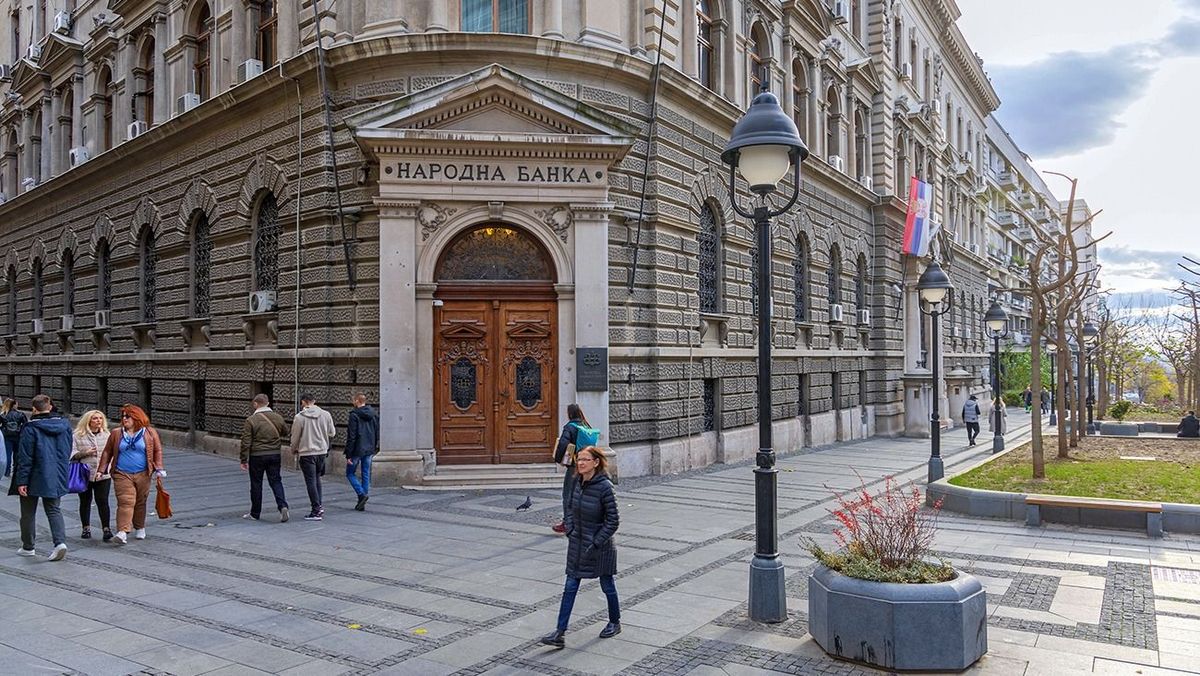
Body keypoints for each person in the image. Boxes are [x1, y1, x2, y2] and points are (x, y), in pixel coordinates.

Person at [540, 446, 621, 649]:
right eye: (579, 459)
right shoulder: (577, 481)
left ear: (596, 462)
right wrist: (570, 528)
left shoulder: (605, 487)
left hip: (600, 548)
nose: (581, 463)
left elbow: (613, 521)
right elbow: (569, 507)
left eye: (585, 459)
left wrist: (595, 541)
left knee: (607, 585)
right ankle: (559, 632)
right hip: (577, 543)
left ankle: (615, 621)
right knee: (570, 587)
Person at [10, 394, 72, 560]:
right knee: (54, 509)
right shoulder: (65, 425)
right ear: (50, 407)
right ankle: (60, 543)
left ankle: (28, 546)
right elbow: (68, 450)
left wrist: (21, 481)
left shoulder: (30, 428)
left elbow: (25, 457)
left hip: (33, 475)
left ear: (34, 409)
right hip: (56, 473)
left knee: (28, 513)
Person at [98, 404, 165, 544]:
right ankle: (123, 531)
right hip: (122, 473)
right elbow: (107, 452)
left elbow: (157, 450)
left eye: (127, 416)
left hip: (144, 473)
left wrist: (159, 468)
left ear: (137, 417)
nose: (124, 419)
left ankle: (140, 527)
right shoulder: (117, 433)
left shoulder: (149, 433)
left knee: (140, 501)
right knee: (126, 501)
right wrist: (101, 470)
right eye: (123, 416)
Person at [239, 394, 289, 522]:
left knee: (256, 483)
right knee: (276, 481)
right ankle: (283, 506)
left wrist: (243, 459)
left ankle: (255, 513)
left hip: (257, 455)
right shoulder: (278, 417)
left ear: (256, 404)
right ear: (268, 403)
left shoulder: (251, 420)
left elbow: (246, 441)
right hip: (274, 454)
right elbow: (285, 432)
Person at [290, 393, 335, 521]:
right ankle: (319, 506)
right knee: (317, 479)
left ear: (303, 402)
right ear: (314, 401)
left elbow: (295, 437)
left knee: (310, 481)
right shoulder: (326, 414)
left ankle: (316, 509)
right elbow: (332, 432)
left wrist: (293, 449)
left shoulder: (299, 417)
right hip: (321, 451)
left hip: (307, 452)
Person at [72, 409, 114, 542]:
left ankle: (106, 529)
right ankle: (86, 527)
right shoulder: (78, 435)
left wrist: (110, 467)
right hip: (85, 473)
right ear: (88, 420)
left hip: (103, 474)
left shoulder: (107, 435)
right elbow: (72, 453)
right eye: (95, 418)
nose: (98, 421)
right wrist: (84, 453)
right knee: (85, 501)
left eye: (100, 418)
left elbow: (113, 453)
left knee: (103, 501)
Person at [551, 404, 589, 534]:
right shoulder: (585, 425)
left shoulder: (570, 427)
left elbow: (563, 444)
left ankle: (567, 523)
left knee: (568, 494)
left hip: (574, 466)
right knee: (582, 494)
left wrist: (558, 459)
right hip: (587, 466)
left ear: (570, 414)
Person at [345, 393, 379, 512]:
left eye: (353, 400)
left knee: (350, 473)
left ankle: (361, 494)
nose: (352, 402)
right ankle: (362, 500)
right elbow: (377, 431)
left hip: (357, 449)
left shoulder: (354, 415)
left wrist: (348, 454)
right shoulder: (374, 414)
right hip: (369, 448)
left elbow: (352, 435)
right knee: (366, 473)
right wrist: (374, 446)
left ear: (357, 401)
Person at [2, 398, 27, 478]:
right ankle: (16, 471)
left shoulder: (3, 415)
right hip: (18, 436)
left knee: (8, 454)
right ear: (14, 405)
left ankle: (7, 471)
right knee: (17, 454)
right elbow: (25, 425)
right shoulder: (20, 414)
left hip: (7, 436)